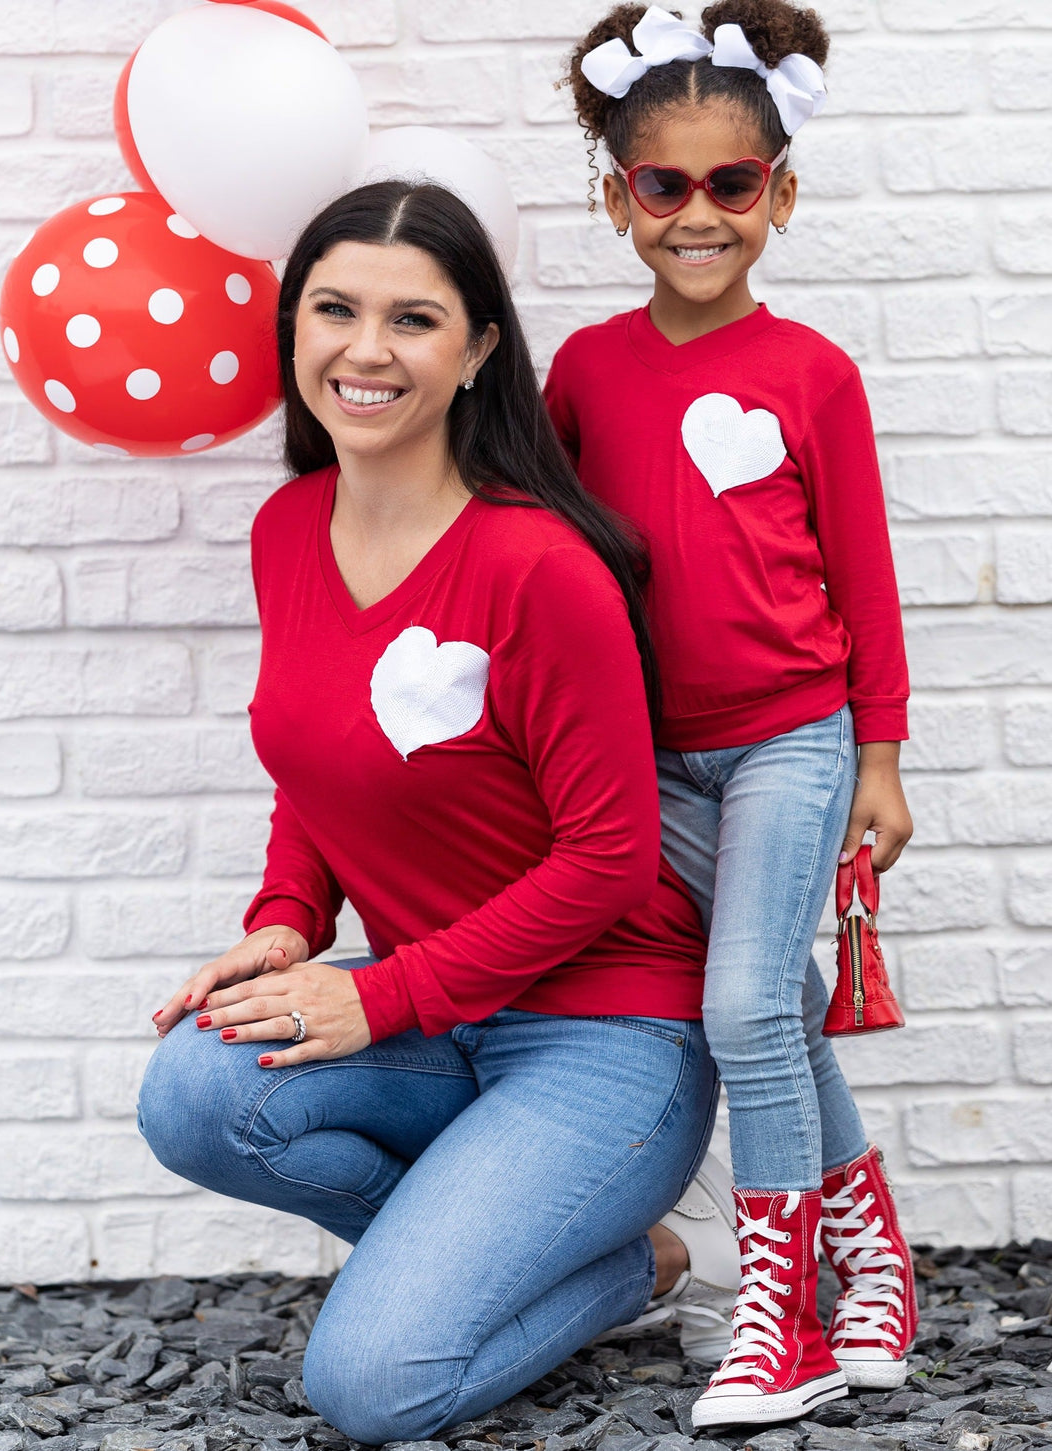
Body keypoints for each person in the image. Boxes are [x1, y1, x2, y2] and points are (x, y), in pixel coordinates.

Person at [138, 180, 740, 1447]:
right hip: (438, 1012)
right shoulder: (287, 527)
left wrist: (380, 994)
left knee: (373, 1385)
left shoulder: (538, 567)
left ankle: (637, 1261)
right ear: (293, 329)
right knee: (193, 1090)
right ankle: (503, 1237)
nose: (366, 349)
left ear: (475, 351)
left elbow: (615, 854)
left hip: (605, 1035)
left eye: (413, 319)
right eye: (334, 309)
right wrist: (290, 921)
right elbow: (320, 755)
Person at [546, 0, 918, 1427]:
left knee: (747, 1001)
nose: (697, 214)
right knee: (770, 1012)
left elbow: (866, 578)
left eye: (730, 183)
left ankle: (791, 1317)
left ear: (780, 192)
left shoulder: (813, 374)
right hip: (647, 760)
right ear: (618, 197)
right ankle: (874, 1248)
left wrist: (878, 754)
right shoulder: (583, 373)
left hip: (789, 735)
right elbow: (557, 562)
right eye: (663, 184)